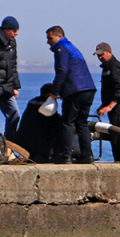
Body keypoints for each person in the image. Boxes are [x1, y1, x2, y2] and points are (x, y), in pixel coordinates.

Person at [46, 26, 97, 164]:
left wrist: (55, 91)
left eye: (50, 38)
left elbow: (62, 70)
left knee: (67, 122)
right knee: (82, 123)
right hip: (89, 89)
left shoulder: (61, 48)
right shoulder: (72, 47)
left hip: (75, 90)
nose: (48, 42)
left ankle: (65, 155)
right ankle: (87, 155)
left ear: (60, 36)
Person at [94, 43, 120, 162]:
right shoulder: (107, 68)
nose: (100, 57)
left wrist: (110, 106)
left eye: (102, 54)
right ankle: (118, 159)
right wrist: (104, 105)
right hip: (113, 106)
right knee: (114, 136)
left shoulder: (115, 67)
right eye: (98, 55)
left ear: (109, 52)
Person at [12, 84, 58, 162]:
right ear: (49, 94)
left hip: (24, 140)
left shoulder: (33, 102)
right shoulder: (46, 106)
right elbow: (55, 122)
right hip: (39, 142)